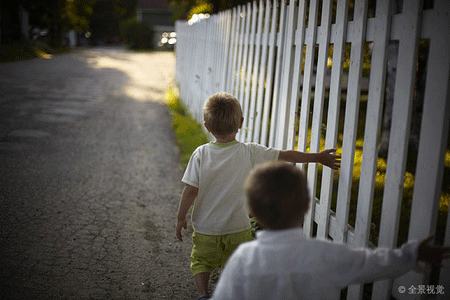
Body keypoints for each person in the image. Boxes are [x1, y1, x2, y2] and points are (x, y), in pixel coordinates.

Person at [175, 92, 341, 300]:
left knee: (201, 261)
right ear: (241, 123)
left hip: (206, 227)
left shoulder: (200, 154)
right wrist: (318, 157)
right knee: (237, 263)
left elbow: (190, 190)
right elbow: (286, 155)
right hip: (238, 227)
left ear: (207, 127)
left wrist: (181, 217)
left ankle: (202, 295)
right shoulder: (250, 152)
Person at [211, 161, 450, 300]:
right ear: (307, 205)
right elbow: (375, 262)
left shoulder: (244, 260)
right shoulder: (325, 254)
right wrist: (412, 254)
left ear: (252, 210)